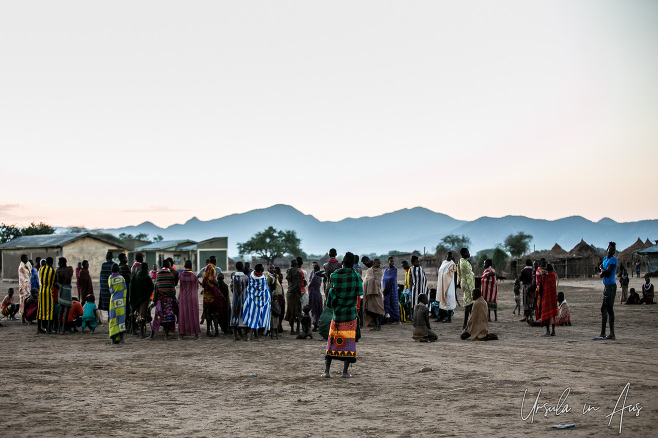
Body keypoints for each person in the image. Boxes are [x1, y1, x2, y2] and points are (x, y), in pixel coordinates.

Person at [322, 252, 363, 378]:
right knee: (349, 342)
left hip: (337, 315)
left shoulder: (334, 275)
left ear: (343, 263)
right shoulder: (356, 277)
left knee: (332, 341)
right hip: (350, 315)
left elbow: (331, 290)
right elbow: (359, 293)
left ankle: (327, 371)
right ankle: (344, 372)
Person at [148, 260, 178, 340]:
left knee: (158, 317)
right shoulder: (171, 275)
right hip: (168, 300)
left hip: (160, 300)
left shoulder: (158, 275)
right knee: (168, 318)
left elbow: (156, 287)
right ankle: (166, 335)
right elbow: (172, 288)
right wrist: (173, 297)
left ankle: (152, 335)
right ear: (168, 266)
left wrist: (154, 299)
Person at [242, 264, 271, 341]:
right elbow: (265, 290)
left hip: (252, 301)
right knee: (262, 317)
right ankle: (258, 336)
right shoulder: (263, 279)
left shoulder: (251, 275)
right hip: (263, 301)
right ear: (261, 271)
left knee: (253, 318)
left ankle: (249, 337)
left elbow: (250, 287)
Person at [594, 242, 617, 340]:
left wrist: (602, 272)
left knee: (608, 308)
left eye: (613, 250)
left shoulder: (613, 259)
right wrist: (603, 271)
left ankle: (611, 333)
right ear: (607, 249)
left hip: (611, 286)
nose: (612, 251)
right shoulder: (605, 259)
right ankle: (604, 332)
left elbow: (608, 272)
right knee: (604, 308)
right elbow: (602, 267)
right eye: (610, 249)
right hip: (606, 286)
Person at [130, 262, 154, 338]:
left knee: (135, 314)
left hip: (136, 299)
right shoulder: (147, 277)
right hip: (144, 299)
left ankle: (134, 330)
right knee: (143, 316)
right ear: (146, 268)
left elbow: (131, 286)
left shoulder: (136, 276)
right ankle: (141, 333)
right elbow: (151, 288)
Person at [178, 260, 201, 340]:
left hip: (183, 297)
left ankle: (181, 334)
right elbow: (196, 288)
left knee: (183, 315)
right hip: (193, 298)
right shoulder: (194, 277)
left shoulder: (180, 276)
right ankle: (196, 334)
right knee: (193, 315)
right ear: (191, 266)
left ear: (185, 266)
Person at [362, 258, 385, 331]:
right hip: (369, 293)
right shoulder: (369, 270)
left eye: (379, 263)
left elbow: (377, 282)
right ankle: (375, 324)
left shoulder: (379, 271)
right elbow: (366, 279)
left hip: (377, 292)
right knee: (371, 309)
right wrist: (369, 280)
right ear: (374, 263)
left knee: (378, 309)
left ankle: (379, 326)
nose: (378, 264)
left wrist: (370, 279)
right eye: (377, 263)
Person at [108, 263, 128, 344]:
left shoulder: (110, 278)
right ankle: (121, 339)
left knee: (113, 319)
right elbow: (124, 289)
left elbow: (111, 290)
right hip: (121, 302)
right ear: (118, 270)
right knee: (121, 319)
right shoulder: (122, 278)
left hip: (113, 301)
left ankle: (113, 339)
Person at [537, 263, 558, 336]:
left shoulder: (545, 277)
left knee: (546, 314)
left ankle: (547, 331)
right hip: (553, 297)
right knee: (552, 315)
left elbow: (541, 287)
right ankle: (553, 331)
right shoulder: (553, 276)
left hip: (546, 297)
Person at [457, 248, 475, 330]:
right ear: (464, 253)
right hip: (468, 284)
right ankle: (465, 324)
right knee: (468, 304)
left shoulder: (464, 261)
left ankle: (471, 322)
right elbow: (469, 274)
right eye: (467, 252)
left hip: (466, 283)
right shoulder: (464, 263)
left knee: (470, 303)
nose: (469, 253)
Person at [230, 261, 249, 340]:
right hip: (243, 298)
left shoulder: (234, 277)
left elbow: (231, 287)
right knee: (243, 315)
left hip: (235, 299)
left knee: (235, 315)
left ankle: (235, 335)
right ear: (243, 267)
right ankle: (244, 336)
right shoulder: (245, 277)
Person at [37, 257, 56, 334]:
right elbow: (54, 281)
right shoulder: (53, 271)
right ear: (52, 262)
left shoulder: (40, 269)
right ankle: (48, 329)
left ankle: (39, 328)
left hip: (41, 291)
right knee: (49, 310)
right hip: (48, 291)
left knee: (40, 309)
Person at [438, 251, 458, 323]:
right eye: (448, 256)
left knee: (449, 299)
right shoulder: (444, 263)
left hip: (449, 284)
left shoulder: (452, 264)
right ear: (446, 256)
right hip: (442, 283)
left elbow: (451, 274)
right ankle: (441, 316)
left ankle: (449, 318)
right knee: (442, 299)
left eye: (450, 256)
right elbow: (441, 271)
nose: (449, 257)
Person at [55, 257, 74, 334]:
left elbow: (56, 282)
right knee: (66, 309)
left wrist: (60, 287)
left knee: (61, 308)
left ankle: (59, 328)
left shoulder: (58, 271)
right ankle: (63, 328)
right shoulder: (70, 269)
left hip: (61, 289)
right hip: (68, 289)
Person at [285, 259, 303, 335]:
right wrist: (299, 294)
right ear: (297, 265)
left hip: (289, 293)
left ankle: (292, 330)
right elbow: (299, 285)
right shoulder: (298, 273)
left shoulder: (288, 271)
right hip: (296, 294)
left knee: (290, 311)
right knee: (298, 312)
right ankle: (298, 329)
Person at [382, 257, 400, 325]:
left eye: (393, 261)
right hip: (385, 289)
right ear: (388, 262)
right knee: (386, 303)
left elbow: (392, 278)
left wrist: (388, 287)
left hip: (392, 289)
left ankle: (396, 319)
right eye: (391, 261)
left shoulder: (395, 269)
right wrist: (385, 289)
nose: (392, 262)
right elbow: (384, 279)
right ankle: (388, 319)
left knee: (394, 303)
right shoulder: (386, 270)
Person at [118, 253, 132, 333]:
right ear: (122, 259)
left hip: (119, 291)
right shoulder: (126, 268)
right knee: (127, 308)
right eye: (125, 258)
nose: (126, 259)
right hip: (126, 291)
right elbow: (129, 279)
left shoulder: (118, 268)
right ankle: (127, 325)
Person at [307, 263, 324, 331]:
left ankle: (315, 324)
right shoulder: (320, 277)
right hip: (318, 294)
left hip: (313, 294)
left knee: (314, 310)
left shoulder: (315, 276)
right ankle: (318, 323)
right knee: (319, 309)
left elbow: (310, 286)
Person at [268, 265, 285, 334]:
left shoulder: (277, 276)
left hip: (279, 296)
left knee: (279, 311)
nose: (272, 269)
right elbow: (272, 286)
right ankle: (273, 328)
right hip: (273, 296)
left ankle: (278, 326)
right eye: (270, 268)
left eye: (273, 268)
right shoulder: (268, 277)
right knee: (274, 312)